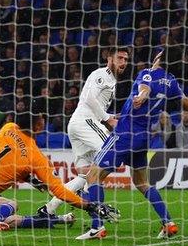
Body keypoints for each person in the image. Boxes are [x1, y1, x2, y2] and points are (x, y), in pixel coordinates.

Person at [80, 48, 188, 240]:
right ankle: (168, 223)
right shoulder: (172, 83)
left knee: (93, 176)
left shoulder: (147, 73)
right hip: (144, 138)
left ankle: (97, 227)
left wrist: (141, 97)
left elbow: (145, 88)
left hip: (125, 135)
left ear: (159, 58)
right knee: (142, 183)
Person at [40, 47, 128, 217]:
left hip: (79, 124)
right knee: (112, 153)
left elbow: (95, 104)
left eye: (125, 59)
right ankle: (95, 205)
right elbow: (88, 98)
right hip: (85, 123)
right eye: (119, 58)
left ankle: (49, 209)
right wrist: (107, 119)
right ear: (109, 58)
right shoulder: (102, 75)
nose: (123, 62)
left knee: (86, 175)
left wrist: (109, 116)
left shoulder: (110, 79)